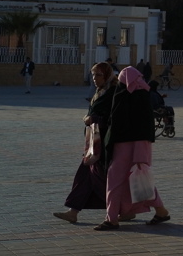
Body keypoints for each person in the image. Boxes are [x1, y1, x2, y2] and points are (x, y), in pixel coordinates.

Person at [96, 66, 169, 230]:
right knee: (138, 181)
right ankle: (161, 211)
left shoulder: (127, 96)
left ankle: (112, 219)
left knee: (116, 181)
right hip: (134, 146)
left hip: (127, 146)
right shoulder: (141, 94)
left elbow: (134, 126)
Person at [54, 62, 120, 224]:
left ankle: (124, 208)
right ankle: (73, 211)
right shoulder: (101, 91)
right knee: (86, 176)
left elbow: (114, 118)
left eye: (98, 75)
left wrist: (93, 119)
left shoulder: (113, 93)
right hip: (93, 141)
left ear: (107, 75)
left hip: (103, 144)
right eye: (93, 75)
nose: (95, 79)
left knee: (98, 178)